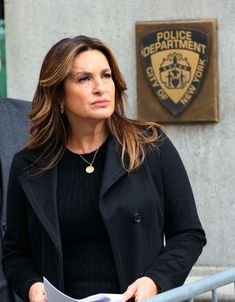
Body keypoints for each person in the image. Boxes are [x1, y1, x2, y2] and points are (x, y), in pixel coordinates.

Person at [2, 35, 206, 302]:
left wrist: (155, 281)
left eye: (106, 75)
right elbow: (16, 252)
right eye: (84, 78)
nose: (101, 87)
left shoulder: (151, 146)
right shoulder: (30, 164)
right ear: (59, 94)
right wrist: (30, 285)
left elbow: (188, 233)